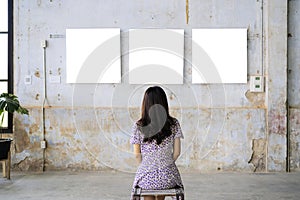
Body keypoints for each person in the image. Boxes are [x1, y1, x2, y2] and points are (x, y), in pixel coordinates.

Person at [130, 86, 184, 200]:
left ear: (145, 104)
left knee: (146, 187)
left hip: (146, 176)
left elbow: (137, 154)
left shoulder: (138, 126)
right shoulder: (174, 123)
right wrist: (166, 163)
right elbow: (177, 152)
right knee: (161, 190)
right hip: (168, 176)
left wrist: (147, 166)